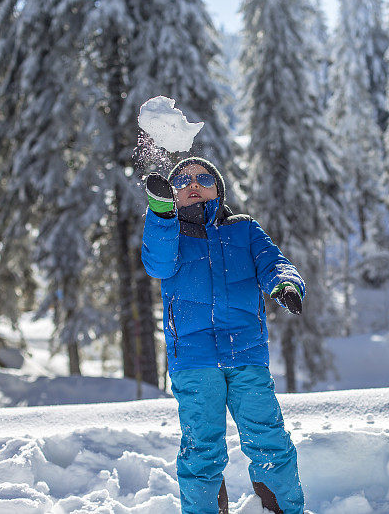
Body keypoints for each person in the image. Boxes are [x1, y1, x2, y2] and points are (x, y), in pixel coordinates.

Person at [142, 156, 305, 514]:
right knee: (202, 446)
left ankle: (282, 509)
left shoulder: (244, 229)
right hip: (194, 360)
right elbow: (156, 262)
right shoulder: (169, 233)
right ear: (172, 196)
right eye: (182, 182)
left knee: (269, 440)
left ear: (219, 188)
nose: (193, 184)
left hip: (246, 353)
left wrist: (285, 283)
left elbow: (273, 261)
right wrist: (161, 214)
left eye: (203, 178)